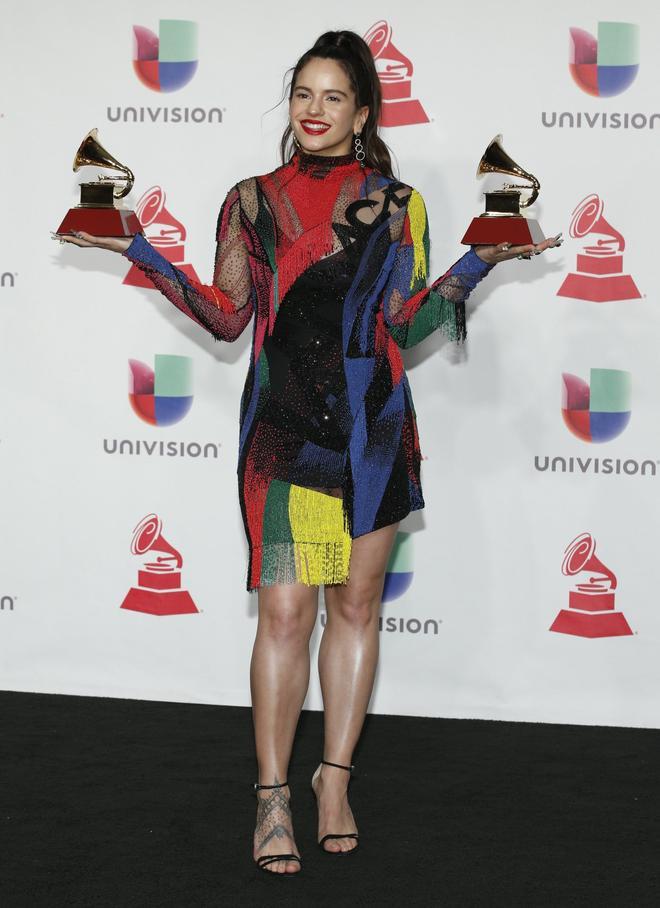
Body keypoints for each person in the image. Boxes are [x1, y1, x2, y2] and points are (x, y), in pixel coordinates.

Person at [58, 30, 560, 876]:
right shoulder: (251, 201)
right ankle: (270, 796)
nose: (315, 111)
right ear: (290, 105)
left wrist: (481, 261)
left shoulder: (401, 205)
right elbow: (226, 316)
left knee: (356, 610)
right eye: (303, 94)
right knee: (288, 614)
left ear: (363, 112)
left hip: (372, 432)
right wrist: (135, 247)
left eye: (334, 97)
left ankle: (333, 781)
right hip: (284, 434)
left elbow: (409, 322)